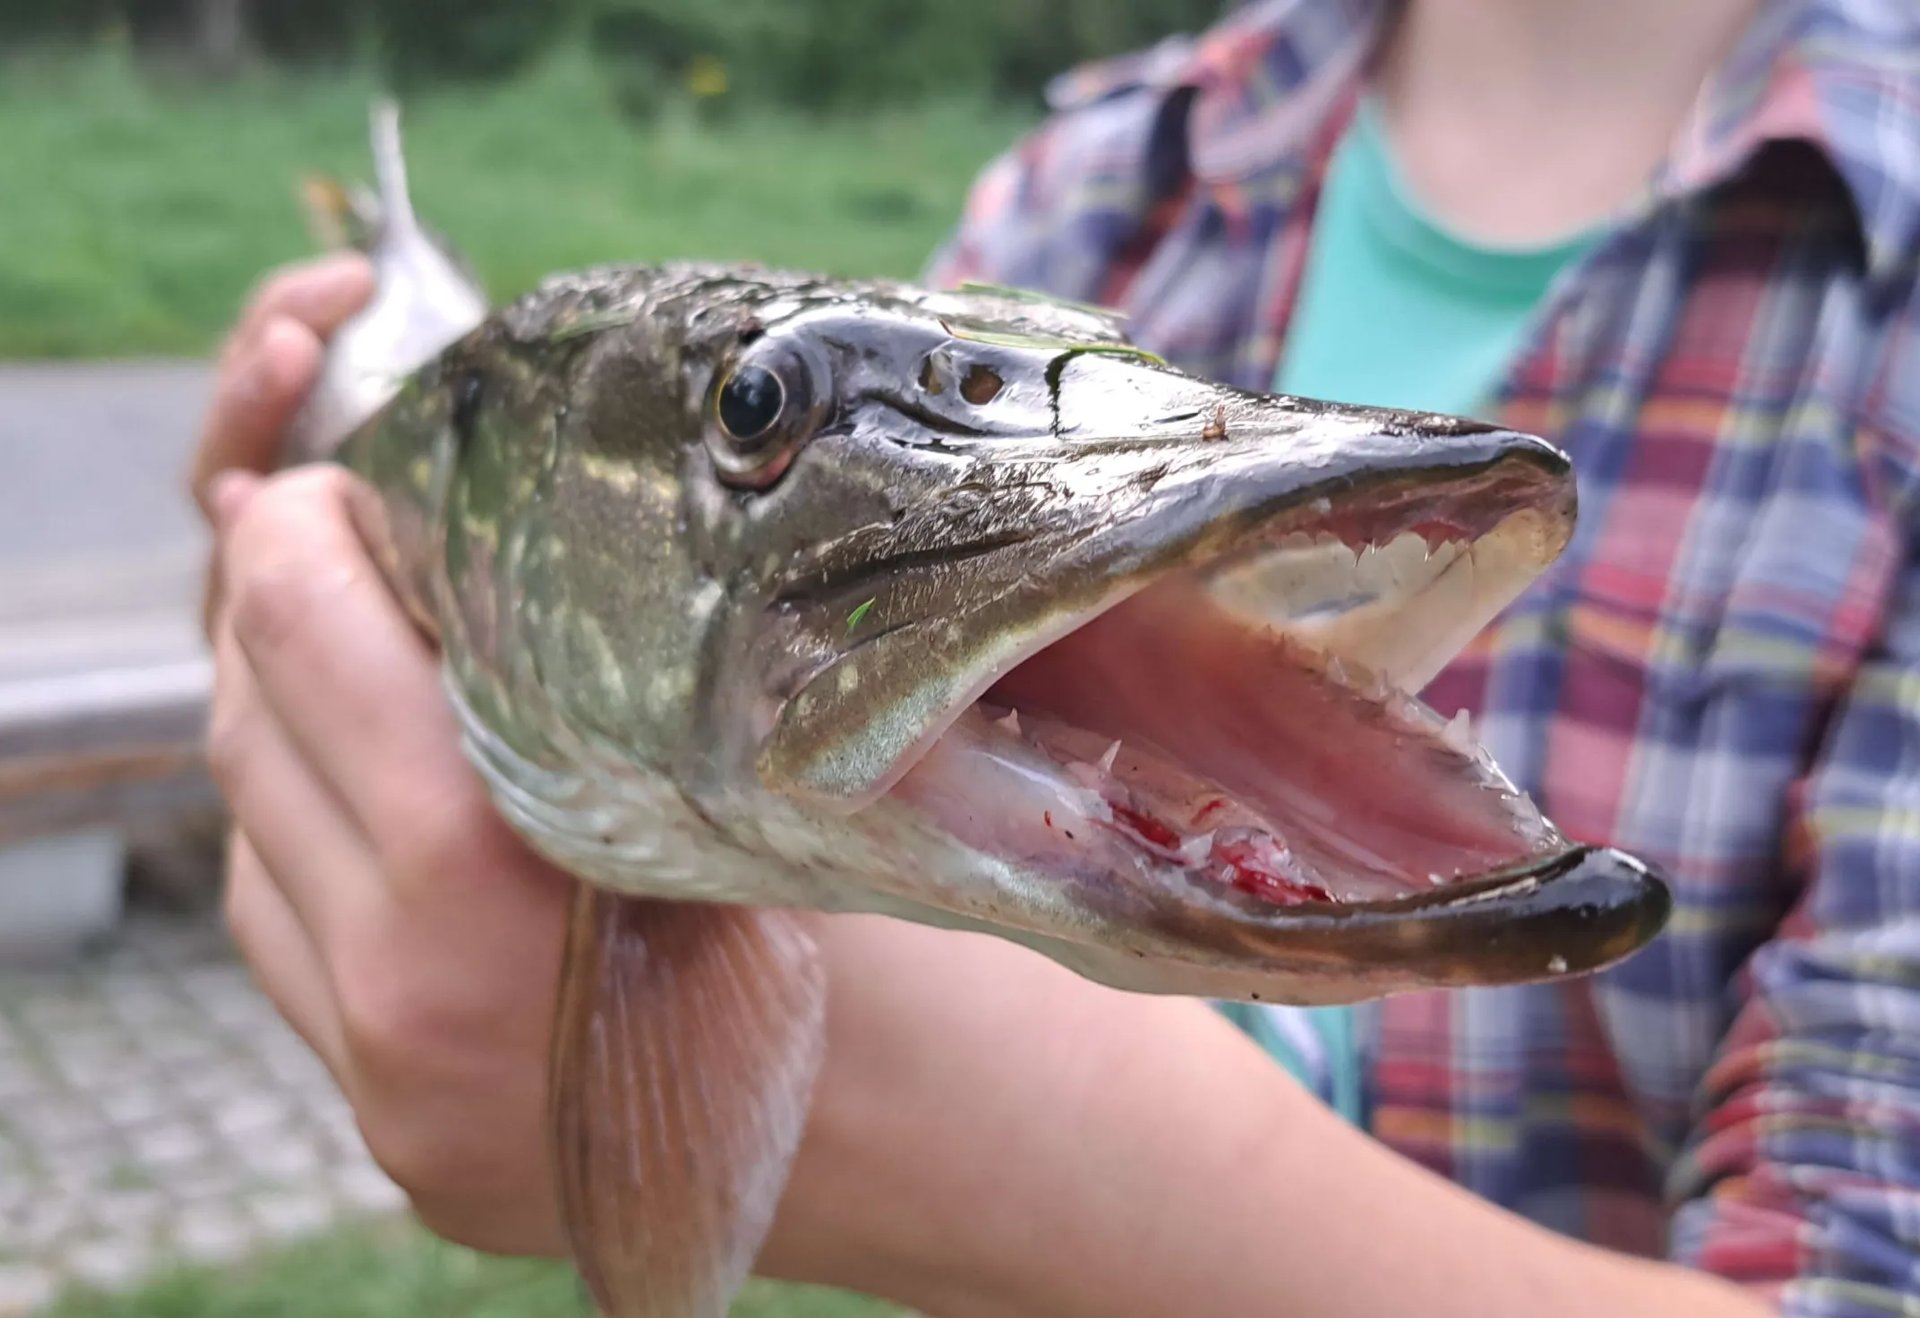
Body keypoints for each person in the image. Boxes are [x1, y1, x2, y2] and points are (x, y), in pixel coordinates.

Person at [192, 0, 1920, 1311]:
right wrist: (320, 668)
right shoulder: (1108, 167)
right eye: (752, 409)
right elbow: (838, 654)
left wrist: (984, 1151)